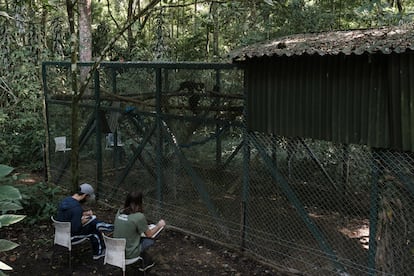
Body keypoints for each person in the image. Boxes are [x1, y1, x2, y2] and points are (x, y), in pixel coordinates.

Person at [56, 183, 114, 260]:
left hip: (59, 234)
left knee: (92, 222)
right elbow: (76, 228)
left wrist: (83, 213)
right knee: (94, 231)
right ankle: (98, 253)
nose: (87, 200)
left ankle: (100, 224)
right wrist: (85, 220)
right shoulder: (77, 208)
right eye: (88, 197)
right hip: (70, 237)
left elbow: (69, 214)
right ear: (85, 195)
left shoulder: (66, 200)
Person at [113, 191, 166, 271]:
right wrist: (159, 225)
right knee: (149, 241)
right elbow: (149, 234)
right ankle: (144, 262)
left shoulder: (119, 212)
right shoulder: (139, 217)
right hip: (129, 253)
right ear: (139, 202)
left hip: (116, 251)